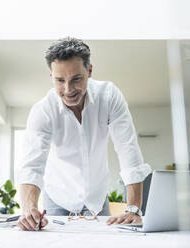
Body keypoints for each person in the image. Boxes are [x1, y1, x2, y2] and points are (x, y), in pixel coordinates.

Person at [16, 37, 151, 231]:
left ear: (89, 71)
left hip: (98, 201)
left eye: (76, 79)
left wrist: (133, 208)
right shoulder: (43, 110)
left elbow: (128, 150)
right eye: (60, 80)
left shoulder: (109, 96)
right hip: (58, 200)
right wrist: (29, 210)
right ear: (51, 75)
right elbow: (32, 166)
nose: (68, 90)